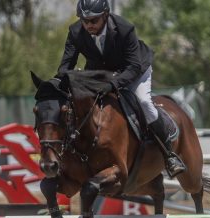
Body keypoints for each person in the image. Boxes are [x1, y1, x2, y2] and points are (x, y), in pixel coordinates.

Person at [55, 0, 185, 177]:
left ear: (105, 15)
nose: (88, 25)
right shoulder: (75, 31)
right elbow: (65, 67)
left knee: (144, 102)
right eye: (84, 21)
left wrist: (112, 85)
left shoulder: (125, 28)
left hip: (134, 71)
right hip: (101, 74)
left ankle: (169, 155)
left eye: (93, 21)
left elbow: (133, 67)